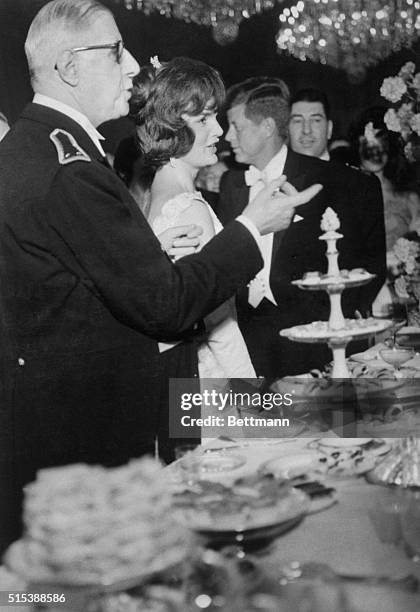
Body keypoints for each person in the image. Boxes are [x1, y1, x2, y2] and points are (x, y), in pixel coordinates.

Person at [0, 0, 321, 553]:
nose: (130, 68)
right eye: (117, 51)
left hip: (58, 425)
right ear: (71, 68)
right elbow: (166, 307)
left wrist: (147, 254)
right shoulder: (67, 167)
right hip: (88, 436)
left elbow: (68, 282)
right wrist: (251, 226)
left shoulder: (30, 152)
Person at [218, 77, 386, 379]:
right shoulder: (230, 184)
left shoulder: (338, 180)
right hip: (247, 344)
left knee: (332, 425)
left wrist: (335, 323)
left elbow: (368, 261)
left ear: (267, 127)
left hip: (316, 345)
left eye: (236, 126)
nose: (227, 136)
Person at [133, 58, 256, 381]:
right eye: (204, 119)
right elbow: (220, 327)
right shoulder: (189, 208)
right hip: (209, 389)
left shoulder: (152, 197)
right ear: (171, 125)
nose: (218, 129)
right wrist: (254, 399)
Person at [351, 108, 420, 316]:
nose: (373, 152)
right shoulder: (349, 197)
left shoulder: (409, 198)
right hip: (362, 297)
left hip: (402, 297)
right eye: (366, 145)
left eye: (380, 144)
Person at [288, 88, 332, 160]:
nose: (306, 130)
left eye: (315, 120)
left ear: (329, 129)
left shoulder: (345, 171)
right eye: (298, 121)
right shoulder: (275, 170)